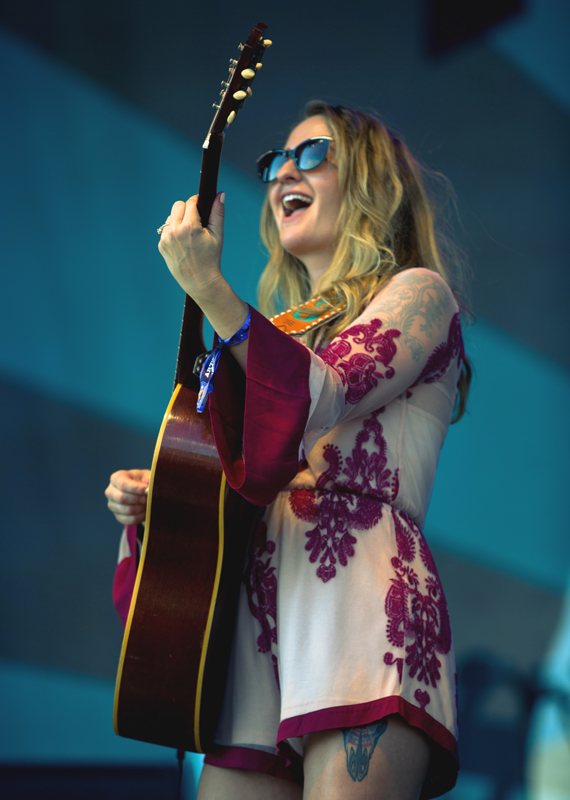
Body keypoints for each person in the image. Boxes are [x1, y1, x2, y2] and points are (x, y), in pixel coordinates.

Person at [105, 102, 471, 800]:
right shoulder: (275, 333)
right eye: (274, 163)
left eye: (310, 155)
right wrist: (167, 500)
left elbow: (326, 394)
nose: (280, 176)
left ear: (372, 180)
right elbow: (235, 479)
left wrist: (210, 290)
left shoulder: (419, 294)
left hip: (359, 607)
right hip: (255, 625)